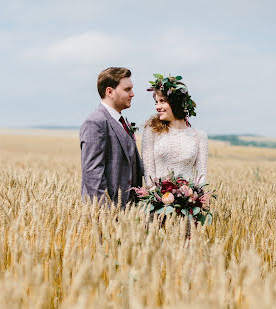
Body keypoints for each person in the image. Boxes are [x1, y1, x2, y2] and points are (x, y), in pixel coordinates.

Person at [80, 67, 144, 208]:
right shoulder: (95, 122)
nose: (132, 94)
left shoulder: (122, 121)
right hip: (109, 215)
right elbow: (92, 174)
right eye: (127, 89)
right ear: (110, 92)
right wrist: (106, 214)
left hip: (130, 213)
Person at [142, 74, 210, 205]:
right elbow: (148, 173)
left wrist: (195, 198)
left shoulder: (199, 136)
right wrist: (158, 198)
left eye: (162, 101)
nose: (157, 106)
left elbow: (201, 177)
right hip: (158, 204)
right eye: (156, 102)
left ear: (175, 102)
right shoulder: (152, 131)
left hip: (189, 205)